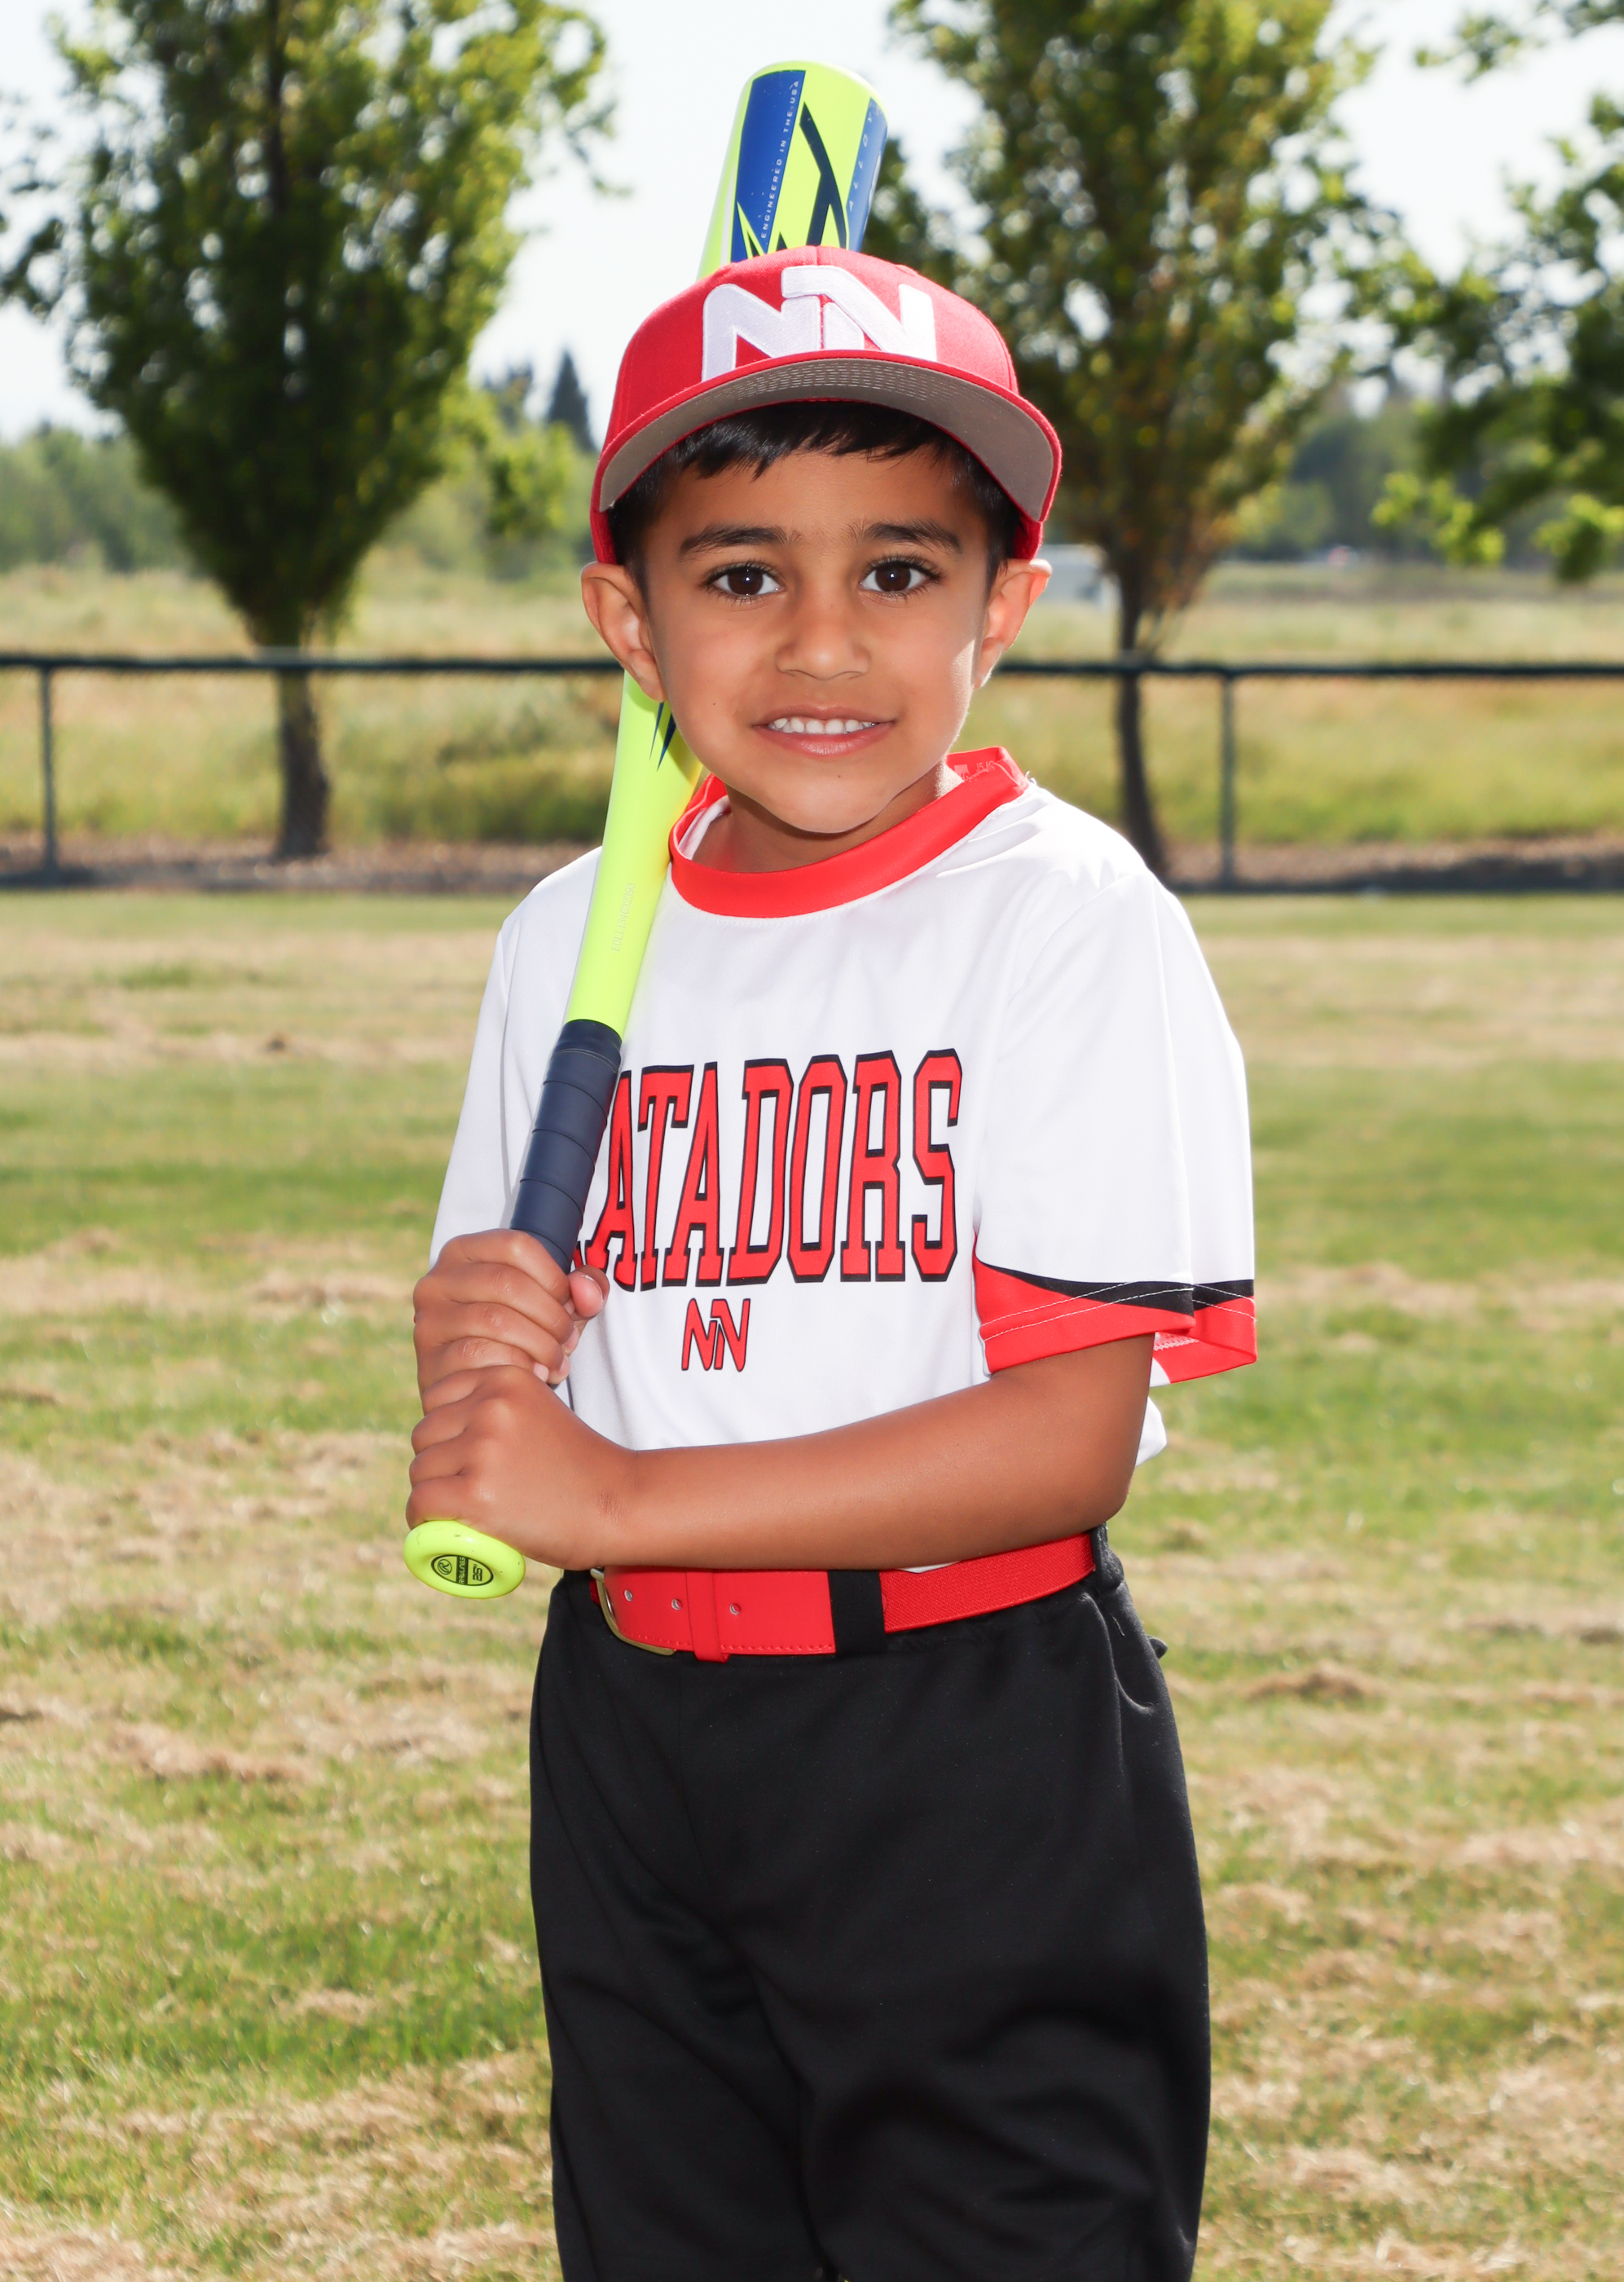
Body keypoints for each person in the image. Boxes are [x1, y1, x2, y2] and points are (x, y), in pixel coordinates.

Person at [409, 245, 1256, 2282]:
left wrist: (614, 1491)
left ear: (1001, 607)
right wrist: (476, 1343)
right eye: (738, 571)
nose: (822, 638)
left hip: (960, 1724)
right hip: (635, 1726)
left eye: (896, 569)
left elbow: (1063, 1439)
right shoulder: (570, 937)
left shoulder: (1063, 917)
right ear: (628, 617)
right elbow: (524, 1362)